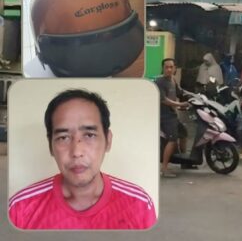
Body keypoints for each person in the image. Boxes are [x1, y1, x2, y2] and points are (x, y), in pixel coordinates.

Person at [8, 89, 156, 230]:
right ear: (50, 146)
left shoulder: (139, 205)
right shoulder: (19, 209)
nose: (77, 152)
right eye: (63, 137)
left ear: (108, 141)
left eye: (89, 135)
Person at [156, 58, 190, 178]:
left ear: (175, 68)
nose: (169, 69)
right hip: (164, 116)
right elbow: (164, 100)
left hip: (173, 114)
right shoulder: (159, 82)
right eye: (166, 67)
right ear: (163, 68)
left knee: (184, 133)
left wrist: (194, 96)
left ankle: (185, 163)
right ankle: (164, 169)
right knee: (172, 139)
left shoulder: (173, 80)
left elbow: (181, 93)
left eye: (171, 67)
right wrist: (180, 105)